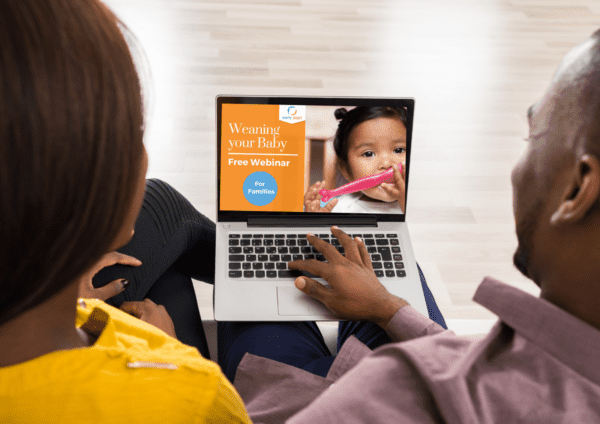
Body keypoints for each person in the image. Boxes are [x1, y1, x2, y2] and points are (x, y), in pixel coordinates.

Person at [221, 30, 600, 422]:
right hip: (381, 341)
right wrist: (387, 308)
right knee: (389, 269)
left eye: (532, 137)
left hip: (285, 402)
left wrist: (178, 348)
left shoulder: (390, 388)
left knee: (252, 282)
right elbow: (455, 364)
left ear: (576, 189)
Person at [0, 1, 251, 422]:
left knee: (161, 260)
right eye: (135, 133)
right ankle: (278, 265)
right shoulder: (195, 395)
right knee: (167, 214)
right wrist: (169, 353)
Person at [304, 107, 407, 213]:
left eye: (399, 150)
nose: (386, 164)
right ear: (346, 170)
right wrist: (315, 221)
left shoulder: (418, 203)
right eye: (368, 153)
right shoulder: (338, 208)